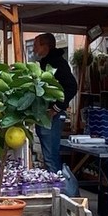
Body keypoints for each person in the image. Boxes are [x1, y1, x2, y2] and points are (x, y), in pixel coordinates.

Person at [31, 33, 78, 172]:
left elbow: (72, 86)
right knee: (48, 157)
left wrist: (55, 108)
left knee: (51, 158)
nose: (33, 49)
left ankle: (58, 190)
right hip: (46, 116)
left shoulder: (57, 63)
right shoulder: (46, 62)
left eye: (35, 45)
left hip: (52, 117)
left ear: (45, 46)